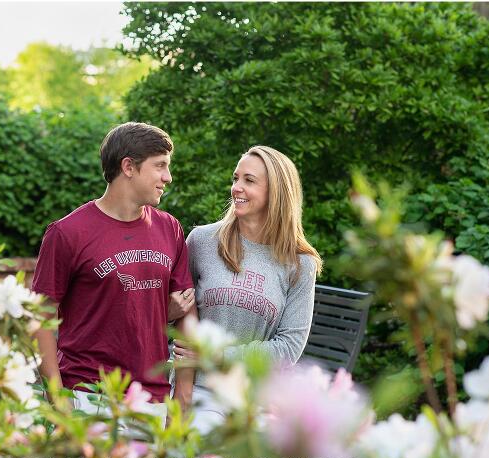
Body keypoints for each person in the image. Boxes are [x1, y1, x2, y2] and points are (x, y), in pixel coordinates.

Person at [30, 122, 195, 424]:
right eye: (160, 166)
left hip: (152, 400)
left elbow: (186, 311)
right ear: (129, 167)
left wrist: (183, 395)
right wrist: (56, 397)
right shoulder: (67, 233)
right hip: (87, 397)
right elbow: (40, 317)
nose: (167, 178)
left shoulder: (169, 228)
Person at [173, 145, 322, 433]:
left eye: (249, 181)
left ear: (276, 192)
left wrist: (214, 355)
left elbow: (289, 347)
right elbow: (180, 316)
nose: (236, 188)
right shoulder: (202, 241)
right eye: (235, 178)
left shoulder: (300, 264)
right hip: (200, 395)